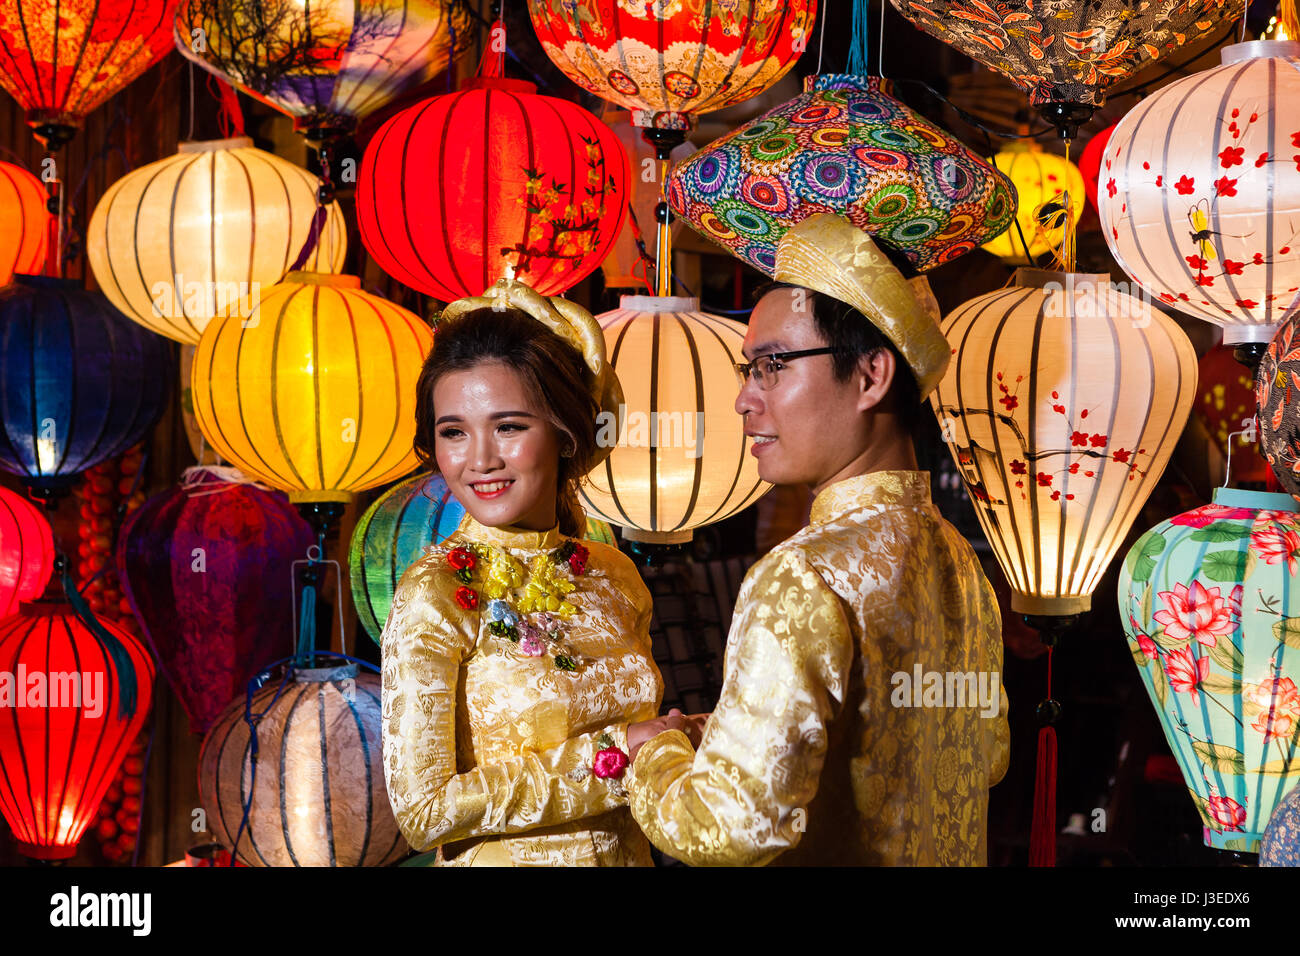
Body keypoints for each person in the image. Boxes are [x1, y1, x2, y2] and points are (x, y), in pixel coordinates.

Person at [625, 214, 1010, 866]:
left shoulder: (802, 575)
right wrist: (725, 734)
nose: (745, 398)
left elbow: (730, 828)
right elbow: (986, 752)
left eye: (772, 365)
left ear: (870, 375)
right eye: (747, 369)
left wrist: (654, 754)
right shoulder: (957, 557)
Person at [380, 277, 697, 867]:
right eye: (453, 432)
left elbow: (644, 738)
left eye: (509, 426)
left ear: (566, 432)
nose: (479, 460)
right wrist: (616, 753)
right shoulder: (438, 592)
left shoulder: (614, 574)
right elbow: (424, 813)